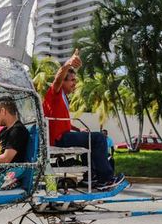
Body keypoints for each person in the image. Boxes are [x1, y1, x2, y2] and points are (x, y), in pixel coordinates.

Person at [43, 49, 123, 190]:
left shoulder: (63, 98)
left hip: (63, 135)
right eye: (72, 80)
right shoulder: (55, 92)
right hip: (59, 138)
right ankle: (106, 179)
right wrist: (68, 63)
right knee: (98, 138)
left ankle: (91, 177)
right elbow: (58, 79)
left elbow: (63, 122)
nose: (75, 83)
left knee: (91, 140)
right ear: (63, 82)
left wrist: (78, 129)